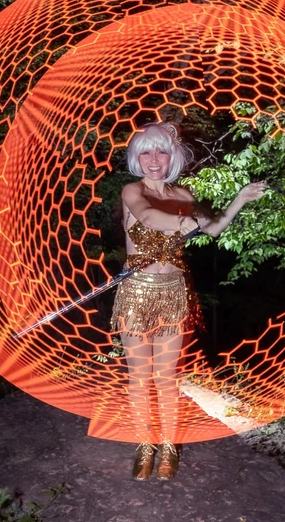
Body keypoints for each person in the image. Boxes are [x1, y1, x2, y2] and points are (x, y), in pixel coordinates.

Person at [110, 121, 267, 480]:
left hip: (173, 294)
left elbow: (213, 228)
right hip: (136, 293)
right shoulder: (132, 191)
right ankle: (144, 444)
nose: (154, 159)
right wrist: (183, 224)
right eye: (146, 152)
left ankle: (168, 446)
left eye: (161, 152)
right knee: (139, 378)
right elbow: (147, 216)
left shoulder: (183, 195)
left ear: (172, 158)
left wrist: (240, 199)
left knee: (166, 378)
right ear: (136, 158)